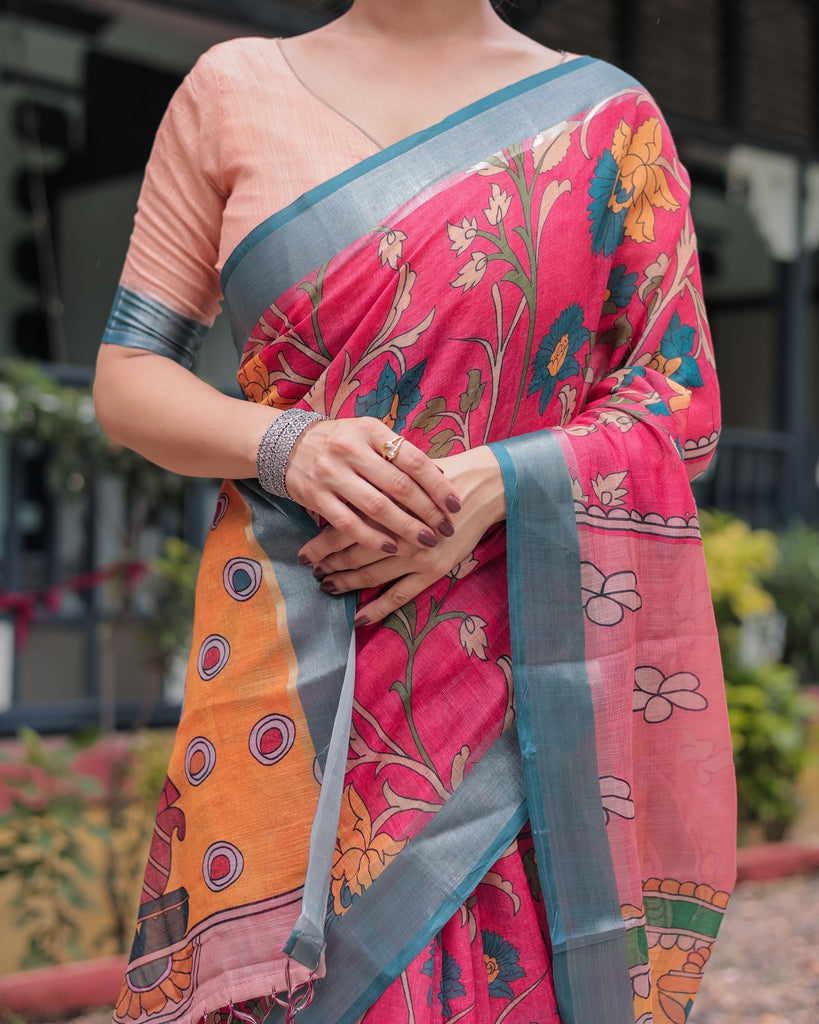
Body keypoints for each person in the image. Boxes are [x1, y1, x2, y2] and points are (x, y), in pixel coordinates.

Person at [94, 2, 737, 1022]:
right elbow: (128, 379)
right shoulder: (233, 88)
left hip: (516, 689)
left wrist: (500, 482)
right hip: (292, 679)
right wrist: (285, 443)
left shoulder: (608, 120)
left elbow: (677, 403)